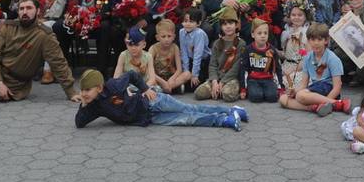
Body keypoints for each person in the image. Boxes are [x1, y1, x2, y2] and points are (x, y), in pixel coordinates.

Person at [73, 67, 246, 130]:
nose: (85, 93)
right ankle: (225, 121)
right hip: (148, 117)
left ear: (99, 87)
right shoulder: (93, 106)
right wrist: (83, 102)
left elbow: (133, 74)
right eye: (83, 90)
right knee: (187, 120)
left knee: (189, 109)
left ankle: (231, 110)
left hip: (153, 101)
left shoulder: (113, 85)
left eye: (88, 90)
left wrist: (146, 88)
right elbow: (79, 123)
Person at [278, 22, 350, 116]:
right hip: (315, 89)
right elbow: (304, 84)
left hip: (328, 89)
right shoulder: (308, 58)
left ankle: (337, 104)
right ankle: (314, 107)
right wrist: (294, 91)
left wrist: (328, 101)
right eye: (312, 39)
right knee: (283, 99)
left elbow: (337, 87)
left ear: (326, 40)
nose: (316, 43)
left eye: (319, 40)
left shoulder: (332, 59)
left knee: (301, 96)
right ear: (308, 41)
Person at [195, 12, 244, 103]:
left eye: (230, 23)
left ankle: (222, 90)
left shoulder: (241, 44)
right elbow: (212, 64)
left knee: (228, 95)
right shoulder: (217, 43)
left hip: (231, 78)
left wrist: (222, 82)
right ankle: (216, 90)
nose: (228, 26)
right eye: (224, 24)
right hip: (217, 76)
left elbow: (236, 67)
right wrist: (214, 81)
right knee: (199, 93)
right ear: (221, 27)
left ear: (236, 25)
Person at [239, 18, 283, 103]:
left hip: (268, 79)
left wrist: (281, 88)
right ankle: (255, 91)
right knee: (256, 97)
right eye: (259, 33)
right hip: (253, 79)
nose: (263, 36)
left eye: (265, 33)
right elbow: (243, 69)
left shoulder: (272, 50)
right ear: (253, 34)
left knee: (273, 97)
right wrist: (243, 89)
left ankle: (266, 91)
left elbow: (277, 69)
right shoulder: (247, 50)